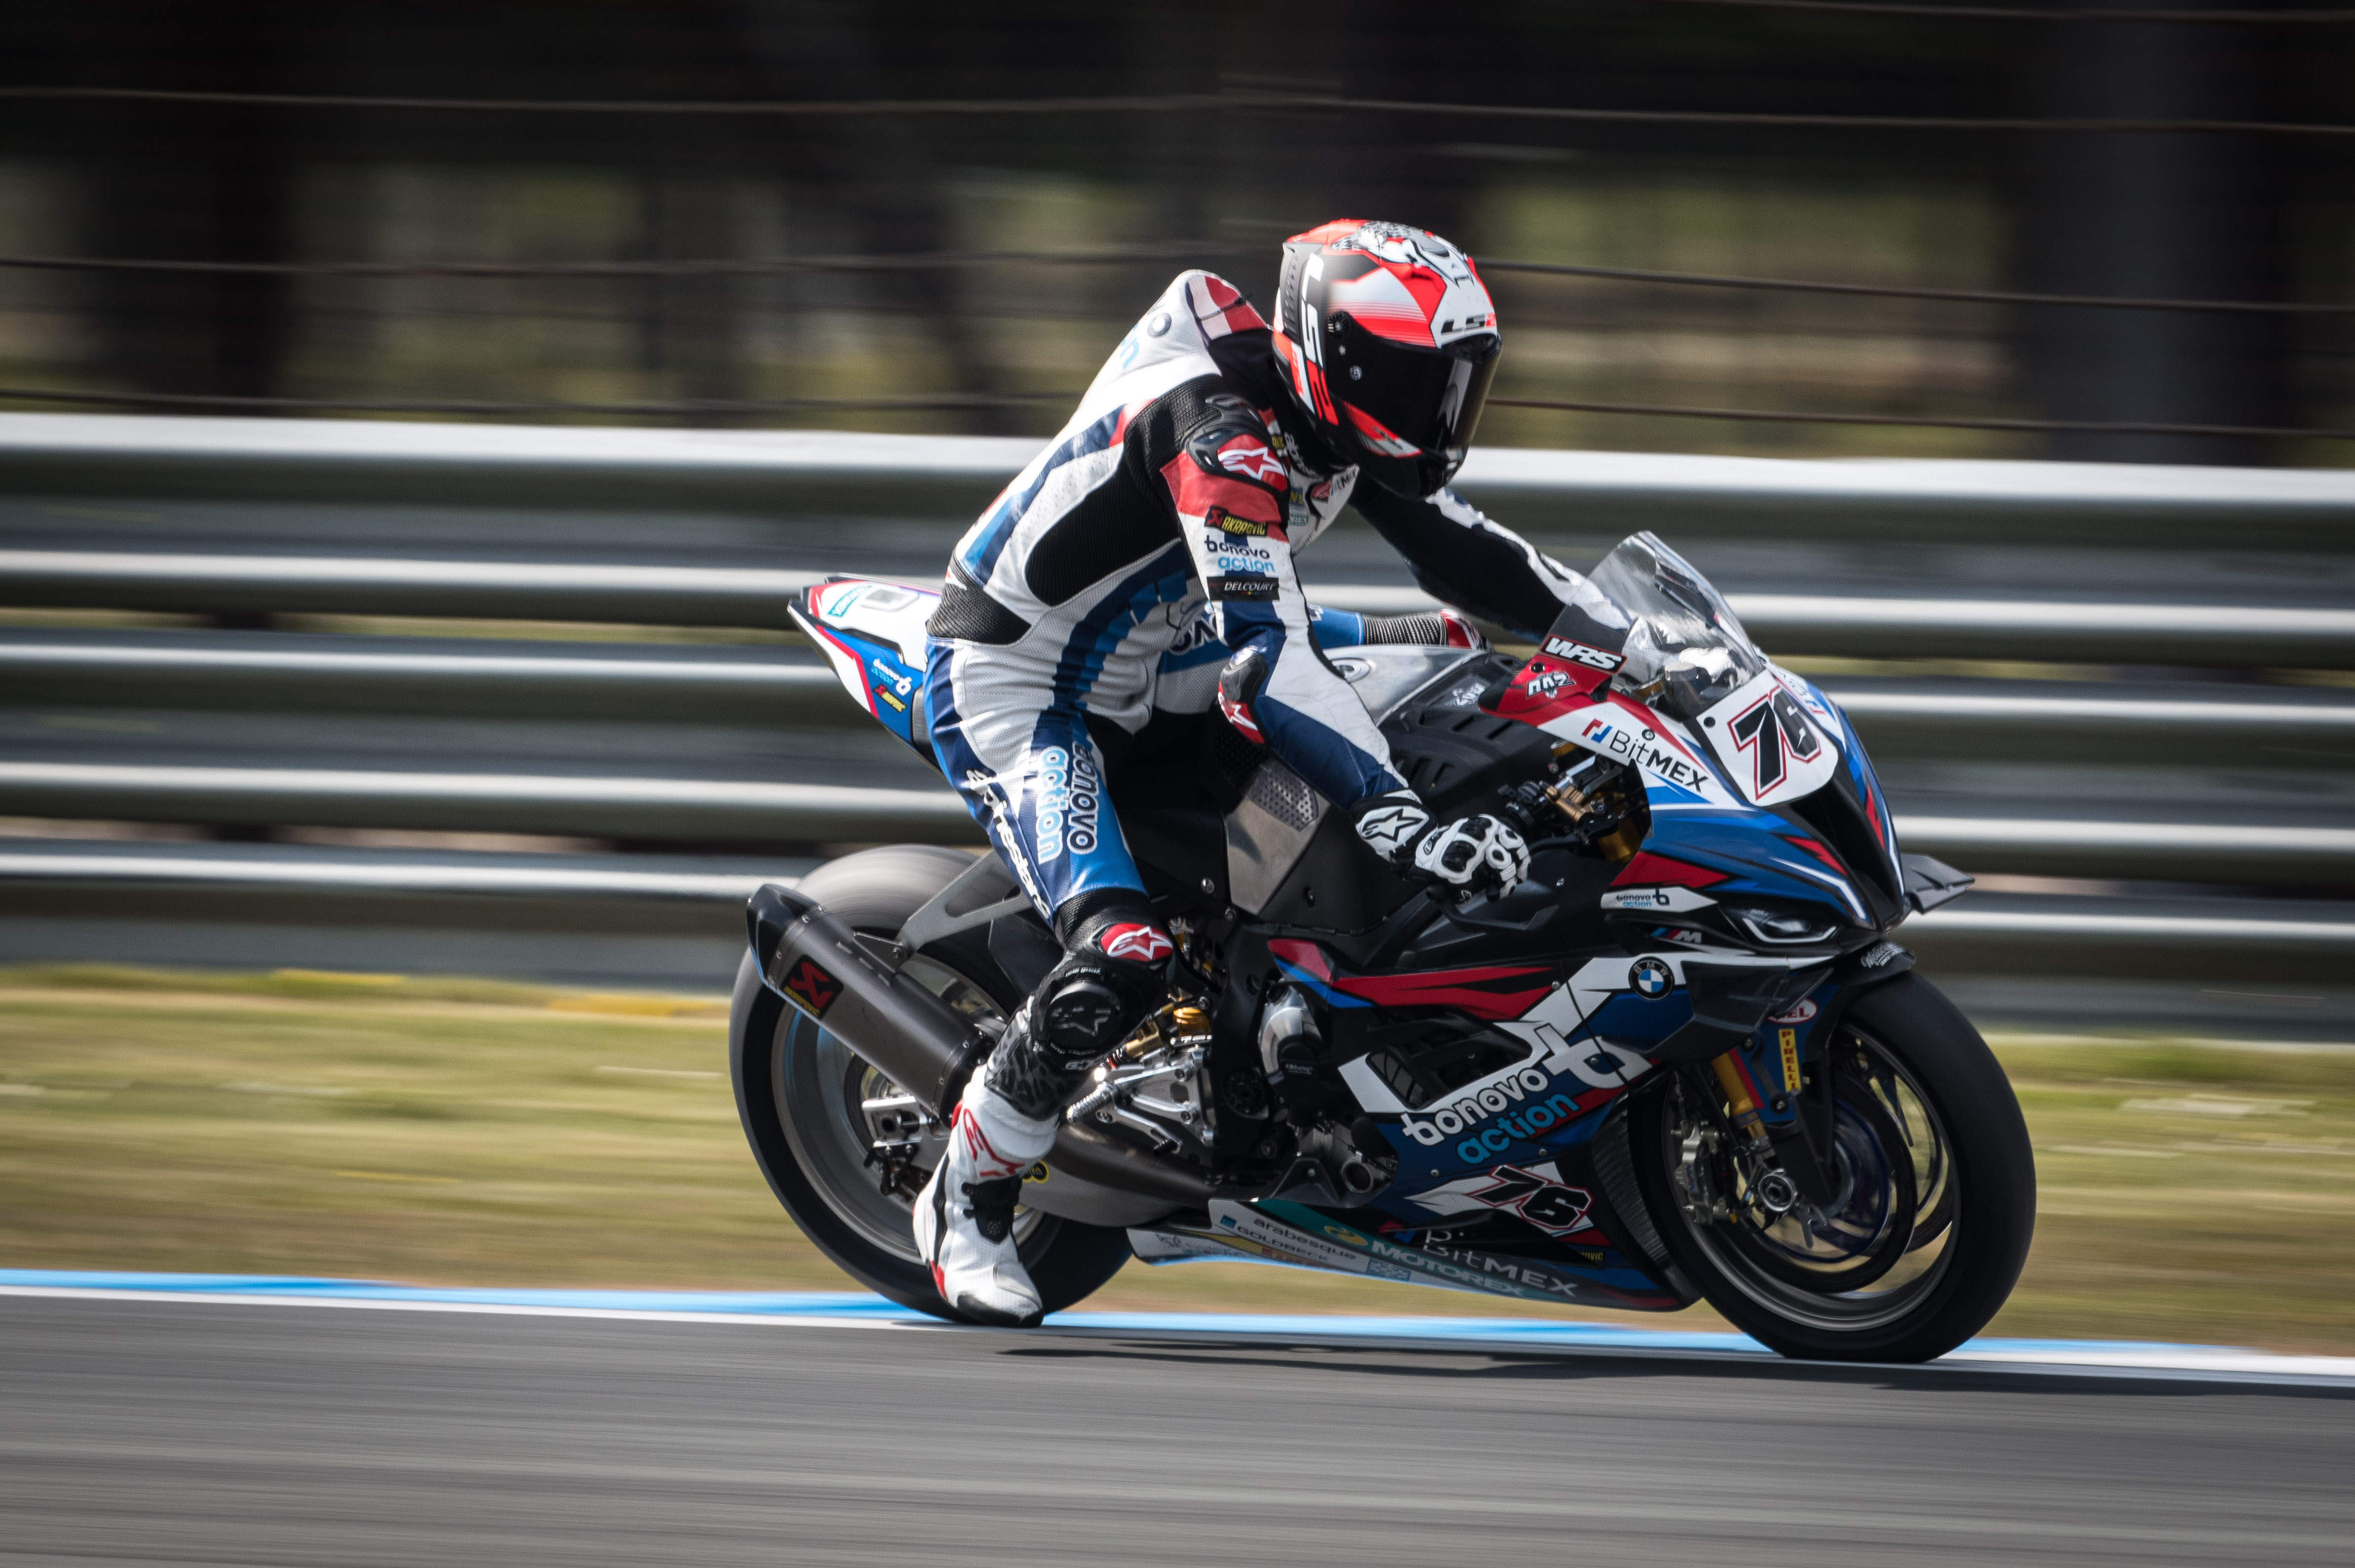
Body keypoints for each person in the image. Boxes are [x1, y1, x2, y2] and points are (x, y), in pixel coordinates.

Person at [914, 220, 1597, 1324]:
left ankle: (1281, 1000)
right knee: (1123, 955)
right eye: (1416, 384)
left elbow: (1472, 555)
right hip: (1026, 684)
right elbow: (1274, 661)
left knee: (1449, 652)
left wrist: (1637, 643)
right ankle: (969, 1189)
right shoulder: (1221, 437)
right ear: (1338, 359)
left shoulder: (1330, 419)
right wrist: (1401, 817)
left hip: (1167, 648)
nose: (1438, 417)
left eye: (1456, 388)